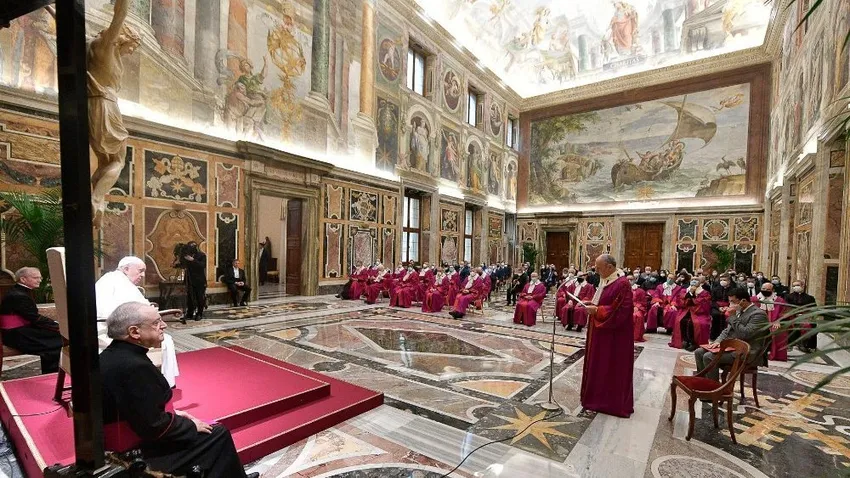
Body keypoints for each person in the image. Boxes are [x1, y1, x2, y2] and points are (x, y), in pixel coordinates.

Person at [101, 302, 258, 478]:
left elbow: (137, 409)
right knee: (216, 434)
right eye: (156, 323)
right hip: (133, 452)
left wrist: (175, 414)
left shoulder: (113, 355)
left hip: (126, 437)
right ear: (134, 332)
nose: (164, 325)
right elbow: (153, 427)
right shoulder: (135, 367)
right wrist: (190, 426)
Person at [87, 0, 140, 224]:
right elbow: (120, 14)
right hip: (106, 105)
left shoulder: (89, 46)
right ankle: (96, 199)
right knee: (119, 159)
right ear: (123, 37)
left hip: (89, 104)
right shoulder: (106, 45)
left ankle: (94, 198)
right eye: (132, 46)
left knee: (104, 162)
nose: (131, 51)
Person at [96, 256, 180, 388]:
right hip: (109, 332)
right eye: (140, 271)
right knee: (165, 339)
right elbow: (112, 312)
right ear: (126, 269)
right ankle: (161, 383)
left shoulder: (114, 279)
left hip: (115, 327)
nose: (143, 275)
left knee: (165, 337)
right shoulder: (117, 282)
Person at [580, 254, 634, 418]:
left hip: (614, 336)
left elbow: (622, 310)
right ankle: (594, 398)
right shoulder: (606, 280)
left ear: (609, 267)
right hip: (600, 331)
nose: (596, 271)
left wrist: (597, 310)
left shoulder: (622, 284)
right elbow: (603, 300)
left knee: (609, 366)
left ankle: (609, 403)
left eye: (599, 267)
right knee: (598, 364)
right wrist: (592, 304)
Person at [694, 288, 769, 380]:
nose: (730, 304)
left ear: (743, 301)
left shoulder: (758, 314)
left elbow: (745, 334)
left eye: (732, 301)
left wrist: (733, 317)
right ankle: (702, 381)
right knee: (699, 352)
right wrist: (718, 341)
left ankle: (713, 386)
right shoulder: (739, 310)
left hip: (747, 352)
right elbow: (727, 331)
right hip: (732, 347)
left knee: (709, 357)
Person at [0, 267, 61, 374]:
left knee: (57, 340)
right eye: (35, 278)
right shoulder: (18, 295)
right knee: (58, 340)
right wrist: (57, 326)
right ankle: (51, 373)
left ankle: (51, 372)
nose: (40, 280)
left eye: (40, 278)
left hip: (22, 330)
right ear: (23, 279)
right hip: (16, 334)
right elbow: (35, 318)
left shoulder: (19, 291)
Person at [669, 277, 711, 351]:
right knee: (681, 321)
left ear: (700, 282)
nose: (694, 281)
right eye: (692, 280)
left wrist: (692, 299)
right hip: (685, 310)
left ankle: (693, 342)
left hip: (698, 313)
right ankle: (685, 340)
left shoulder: (704, 292)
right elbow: (680, 301)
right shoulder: (684, 290)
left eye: (696, 280)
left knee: (695, 323)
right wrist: (690, 293)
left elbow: (704, 304)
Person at [751, 282, 787, 361]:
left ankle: (776, 354)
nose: (765, 290)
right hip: (757, 322)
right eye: (763, 289)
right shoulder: (754, 299)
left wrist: (778, 321)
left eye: (768, 289)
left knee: (779, 331)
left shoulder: (779, 300)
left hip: (773, 322)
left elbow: (784, 313)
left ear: (772, 290)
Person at [173, 242, 207, 321]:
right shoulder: (186, 255)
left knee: (199, 297)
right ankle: (189, 313)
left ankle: (199, 313)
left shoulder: (201, 255)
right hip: (189, 279)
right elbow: (183, 265)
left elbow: (202, 265)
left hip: (199, 280)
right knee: (190, 297)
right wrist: (176, 265)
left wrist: (193, 260)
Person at [785, 280, 817, 353]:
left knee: (812, 325)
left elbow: (813, 308)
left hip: (806, 317)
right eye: (794, 286)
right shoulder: (788, 296)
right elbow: (786, 308)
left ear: (802, 286)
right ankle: (790, 344)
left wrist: (806, 314)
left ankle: (807, 345)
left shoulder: (810, 298)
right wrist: (794, 314)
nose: (795, 287)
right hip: (792, 316)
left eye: (797, 285)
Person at [709, 275, 734, 340]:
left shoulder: (733, 289)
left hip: (729, 306)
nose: (722, 281)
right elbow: (712, 301)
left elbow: (734, 301)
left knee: (728, 315)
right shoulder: (715, 289)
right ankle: (714, 336)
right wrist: (718, 308)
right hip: (716, 307)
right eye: (721, 280)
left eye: (724, 280)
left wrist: (727, 307)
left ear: (729, 281)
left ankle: (726, 336)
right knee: (716, 315)